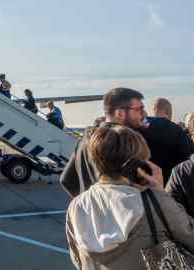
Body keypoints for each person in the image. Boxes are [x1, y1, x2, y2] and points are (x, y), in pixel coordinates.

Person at [66, 125, 194, 270]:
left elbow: (77, 258)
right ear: (136, 165)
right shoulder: (155, 202)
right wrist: (160, 191)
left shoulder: (76, 206)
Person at [61, 87, 193, 197]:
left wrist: (86, 205)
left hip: (95, 223)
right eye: (139, 109)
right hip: (133, 222)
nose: (144, 114)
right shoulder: (130, 145)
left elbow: (67, 181)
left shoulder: (86, 140)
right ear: (119, 113)